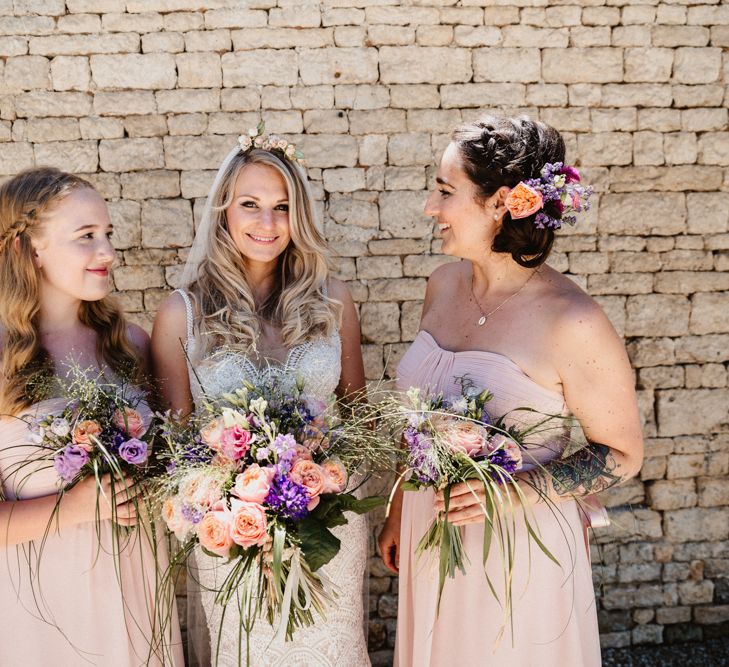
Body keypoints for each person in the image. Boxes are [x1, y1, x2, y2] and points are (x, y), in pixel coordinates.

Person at [378, 116, 644, 666]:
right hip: (433, 533)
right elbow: (422, 416)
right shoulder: (442, 284)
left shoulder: (572, 321)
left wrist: (511, 493)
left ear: (501, 204)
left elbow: (621, 455)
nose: (431, 207)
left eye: (445, 191)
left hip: (519, 548)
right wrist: (402, 506)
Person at [151, 126, 371, 666]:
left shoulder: (333, 302)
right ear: (224, 209)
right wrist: (233, 496)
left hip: (330, 524)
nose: (268, 223)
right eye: (250, 204)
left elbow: (362, 419)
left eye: (282, 207)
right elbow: (176, 447)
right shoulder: (182, 313)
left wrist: (325, 483)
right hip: (231, 535)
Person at [0, 167, 183, 665]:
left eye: (107, 235)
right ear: (28, 248)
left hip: (137, 588)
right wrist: (77, 507)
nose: (107, 253)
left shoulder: (131, 346)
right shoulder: (2, 359)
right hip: (43, 607)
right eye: (86, 237)